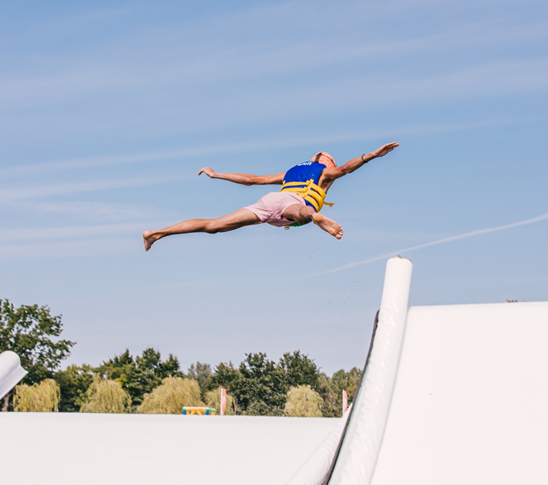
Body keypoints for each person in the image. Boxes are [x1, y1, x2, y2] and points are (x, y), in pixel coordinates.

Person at [143, 142, 399, 251]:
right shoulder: (326, 172)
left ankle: (156, 233)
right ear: (326, 163)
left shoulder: (290, 172)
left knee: (213, 225)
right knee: (303, 213)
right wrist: (372, 156)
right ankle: (317, 218)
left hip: (268, 202)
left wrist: (216, 174)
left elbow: (253, 179)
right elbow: (346, 169)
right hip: (292, 206)